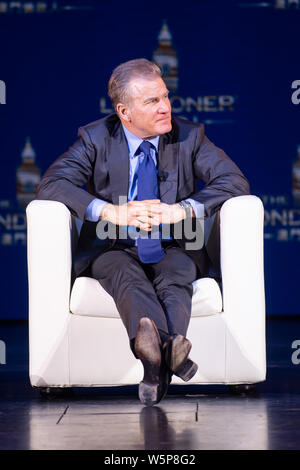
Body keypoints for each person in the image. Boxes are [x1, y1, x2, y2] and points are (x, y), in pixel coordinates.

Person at [36, 58, 250, 406]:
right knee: (125, 275)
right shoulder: (95, 138)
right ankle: (173, 350)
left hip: (174, 244)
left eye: (166, 97)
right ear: (124, 111)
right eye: (152, 101)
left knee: (177, 275)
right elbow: (52, 183)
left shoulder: (189, 136)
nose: (165, 107)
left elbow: (234, 181)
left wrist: (181, 209)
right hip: (112, 246)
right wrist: (110, 211)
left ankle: (154, 363)